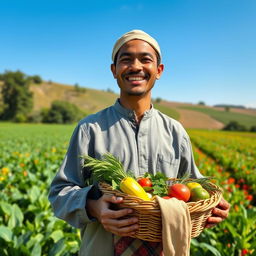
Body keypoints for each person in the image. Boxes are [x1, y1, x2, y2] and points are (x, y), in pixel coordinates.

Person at [48, 30, 230, 256]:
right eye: (126, 59)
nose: (136, 66)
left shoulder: (175, 131)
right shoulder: (89, 129)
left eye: (145, 59)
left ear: (159, 71)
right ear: (114, 70)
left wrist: (213, 207)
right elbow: (59, 193)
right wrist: (93, 207)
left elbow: (194, 187)